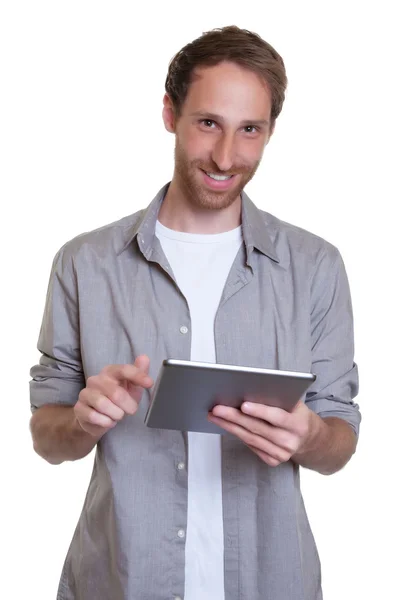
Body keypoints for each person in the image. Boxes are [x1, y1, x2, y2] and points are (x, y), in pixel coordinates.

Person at [29, 25, 361, 600]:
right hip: (121, 581)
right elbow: (46, 435)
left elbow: (339, 437)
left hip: (270, 581)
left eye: (249, 130)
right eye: (208, 123)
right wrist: (80, 421)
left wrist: (309, 437)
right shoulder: (85, 263)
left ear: (269, 132)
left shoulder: (315, 267)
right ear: (169, 113)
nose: (227, 157)